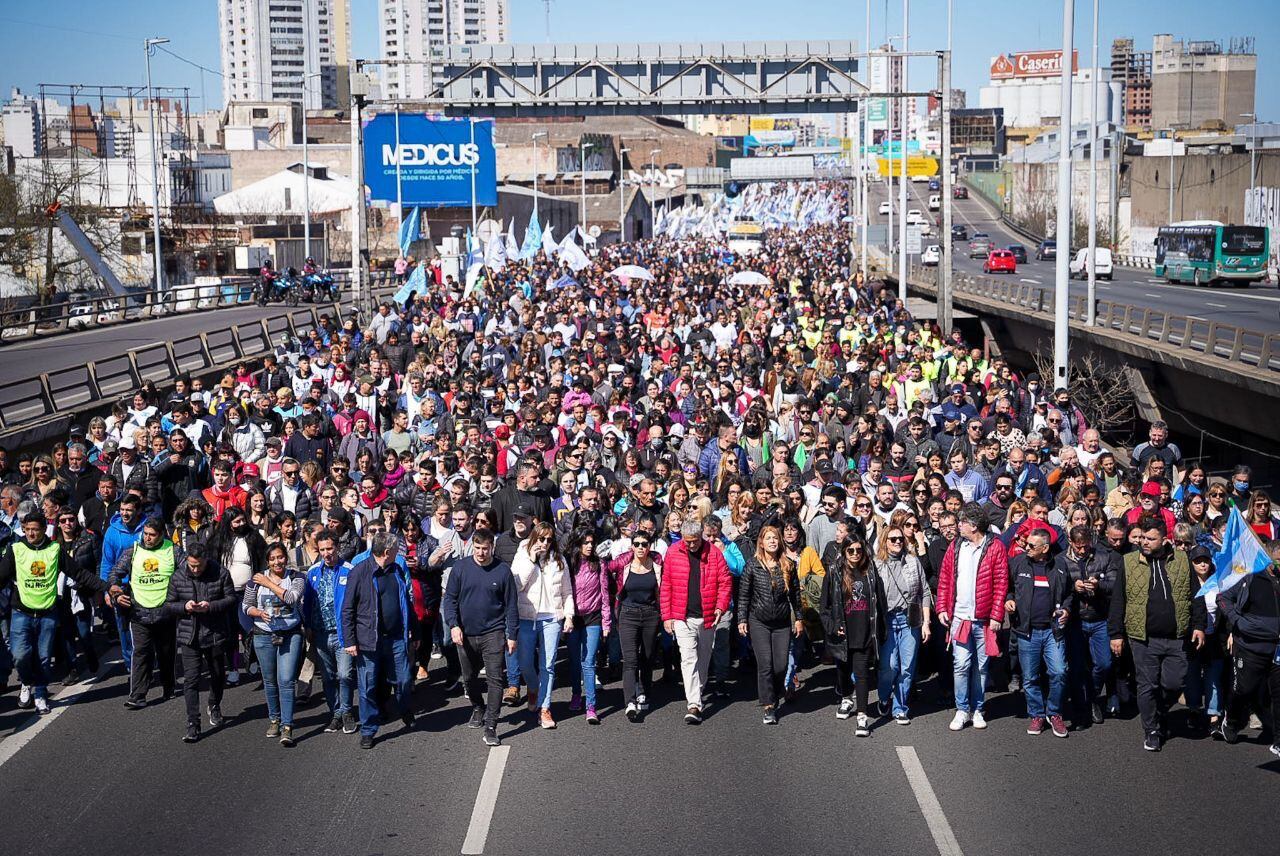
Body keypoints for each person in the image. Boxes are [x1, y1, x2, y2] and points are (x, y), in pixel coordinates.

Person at [1107, 517, 1205, 752]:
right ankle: (1151, 729)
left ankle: (1159, 711)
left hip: (1177, 637)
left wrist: (1199, 625)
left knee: (1174, 682)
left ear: (1165, 539)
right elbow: (1118, 599)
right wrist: (1116, 633)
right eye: (1142, 538)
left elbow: (1196, 596)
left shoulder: (1182, 559)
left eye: (1151, 539)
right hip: (1143, 639)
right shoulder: (1129, 562)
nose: (1145, 543)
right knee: (1147, 684)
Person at [0, 512, 106, 714]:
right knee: (20, 655)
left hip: (47, 613)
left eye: (35, 530)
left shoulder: (54, 550)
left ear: (43, 530)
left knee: (43, 657)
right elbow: (2, 576)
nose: (31, 533)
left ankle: (40, 694)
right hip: (21, 613)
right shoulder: (16, 549)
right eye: (27, 529)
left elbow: (79, 573)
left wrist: (105, 587)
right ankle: (26, 682)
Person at [936, 503, 1009, 732]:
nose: (959, 526)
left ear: (974, 525)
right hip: (960, 617)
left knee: (981, 667)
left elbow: (1001, 583)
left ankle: (978, 709)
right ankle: (962, 709)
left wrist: (997, 615)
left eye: (962, 522)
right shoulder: (956, 546)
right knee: (960, 664)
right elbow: (945, 579)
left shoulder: (995, 547)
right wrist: (942, 608)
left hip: (984, 619)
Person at [442, 528, 518, 747]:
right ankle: (477, 706)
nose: (481, 553)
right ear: (472, 547)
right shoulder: (461, 568)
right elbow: (450, 600)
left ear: (492, 547)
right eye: (478, 548)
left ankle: (491, 725)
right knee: (469, 678)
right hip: (465, 633)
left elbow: (511, 606)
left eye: (486, 549)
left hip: (493, 632)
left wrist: (511, 635)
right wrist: (454, 625)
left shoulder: (503, 571)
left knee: (495, 679)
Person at [342, 532, 416, 749]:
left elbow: (406, 603)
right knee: (368, 687)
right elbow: (347, 609)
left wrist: (414, 631)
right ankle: (368, 729)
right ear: (386, 552)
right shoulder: (360, 572)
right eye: (395, 550)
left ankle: (405, 710)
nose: (398, 553)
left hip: (396, 639)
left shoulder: (396, 570)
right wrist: (349, 640)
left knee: (403, 680)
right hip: (368, 641)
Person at [660, 517, 732, 724]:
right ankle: (694, 704)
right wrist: (667, 616)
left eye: (694, 541)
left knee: (704, 657)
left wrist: (720, 606)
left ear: (701, 536)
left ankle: (697, 689)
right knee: (688, 657)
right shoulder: (673, 552)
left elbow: (725, 582)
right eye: (687, 541)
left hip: (708, 615)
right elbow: (666, 586)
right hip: (682, 615)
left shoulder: (714, 553)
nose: (691, 545)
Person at [165, 541, 236, 743]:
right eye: (191, 565)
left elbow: (231, 599)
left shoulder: (220, 573)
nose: (195, 569)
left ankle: (214, 704)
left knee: (217, 674)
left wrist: (211, 606)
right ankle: (193, 724)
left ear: (206, 560)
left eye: (199, 565)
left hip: (214, 634)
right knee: (192, 680)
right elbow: (169, 605)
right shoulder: (178, 576)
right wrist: (184, 607)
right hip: (190, 636)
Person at [107, 517, 181, 710]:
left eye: (152, 535)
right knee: (141, 653)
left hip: (165, 612)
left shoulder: (173, 551)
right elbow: (115, 573)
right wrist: (115, 590)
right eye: (145, 534)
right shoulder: (133, 550)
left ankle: (169, 687)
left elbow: (186, 574)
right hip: (139, 613)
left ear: (161, 535)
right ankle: (137, 695)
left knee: (166, 653)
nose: (147, 538)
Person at [1215, 541, 1280, 756]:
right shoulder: (1249, 577)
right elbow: (1223, 596)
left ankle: (1278, 741)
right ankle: (1231, 721)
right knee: (1244, 689)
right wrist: (1238, 622)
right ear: (1270, 558)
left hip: (1277, 648)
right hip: (1250, 646)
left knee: (1278, 694)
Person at [1006, 528, 1072, 737]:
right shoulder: (1018, 563)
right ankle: (1036, 714)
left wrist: (1067, 610)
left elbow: (1069, 594)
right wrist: (1008, 599)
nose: (1026, 548)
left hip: (1052, 631)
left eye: (1032, 546)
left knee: (1059, 672)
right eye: (1026, 543)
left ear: (1045, 548)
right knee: (1030, 678)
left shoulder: (1060, 566)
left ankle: (1054, 713)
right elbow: (1007, 586)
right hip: (1027, 631)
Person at [511, 521, 575, 728]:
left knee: (547, 665)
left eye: (549, 540)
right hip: (526, 617)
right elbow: (516, 585)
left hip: (551, 618)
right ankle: (533, 687)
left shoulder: (559, 560)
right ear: (534, 538)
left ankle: (545, 708)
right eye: (541, 539)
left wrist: (569, 615)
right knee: (524, 662)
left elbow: (567, 592)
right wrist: (532, 560)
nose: (545, 543)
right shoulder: (522, 555)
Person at [737, 524, 802, 725]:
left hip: (782, 622)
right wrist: (741, 619)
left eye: (775, 538)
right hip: (759, 621)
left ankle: (775, 689)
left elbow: (796, 595)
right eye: (768, 538)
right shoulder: (753, 565)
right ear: (762, 543)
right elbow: (744, 595)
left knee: (780, 666)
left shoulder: (788, 564)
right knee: (765, 664)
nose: (772, 541)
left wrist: (799, 618)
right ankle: (769, 705)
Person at [244, 543, 306, 746]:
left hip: (290, 633)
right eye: (272, 559)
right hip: (263, 633)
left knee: (286, 680)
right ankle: (274, 719)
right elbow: (246, 606)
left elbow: (291, 598)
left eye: (280, 558)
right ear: (267, 561)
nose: (277, 562)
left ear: (285, 559)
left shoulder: (296, 578)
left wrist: (268, 583)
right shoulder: (255, 582)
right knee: (269, 679)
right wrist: (258, 613)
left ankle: (287, 726)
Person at [1057, 525, 1119, 725]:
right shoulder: (1062, 560)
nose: (1083, 550)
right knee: (1076, 666)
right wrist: (1073, 588)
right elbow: (1057, 589)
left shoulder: (1103, 557)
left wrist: (1099, 586)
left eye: (1086, 546)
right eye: (1078, 547)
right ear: (1071, 542)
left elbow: (1115, 585)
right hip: (1075, 620)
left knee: (1104, 664)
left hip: (1099, 618)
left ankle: (1092, 696)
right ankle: (1081, 704)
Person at [874, 522, 933, 726]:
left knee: (907, 667)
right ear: (885, 542)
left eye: (900, 538)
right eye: (893, 539)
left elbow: (924, 592)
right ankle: (883, 697)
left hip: (910, 620)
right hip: (887, 620)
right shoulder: (876, 564)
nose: (898, 542)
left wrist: (926, 622)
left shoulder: (912, 561)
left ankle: (900, 707)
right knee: (889, 666)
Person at [820, 539, 879, 736]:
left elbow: (881, 601)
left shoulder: (870, 571)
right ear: (844, 551)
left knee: (862, 674)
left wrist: (880, 631)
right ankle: (846, 697)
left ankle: (862, 716)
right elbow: (825, 606)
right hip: (842, 634)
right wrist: (832, 626)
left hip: (864, 632)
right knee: (843, 672)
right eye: (851, 550)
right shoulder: (834, 572)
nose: (855, 554)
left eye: (859, 550)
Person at [302, 531, 357, 735]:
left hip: (343, 633)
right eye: (322, 549)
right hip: (320, 633)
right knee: (327, 677)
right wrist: (307, 625)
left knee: (344, 674)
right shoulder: (314, 572)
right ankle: (335, 713)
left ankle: (347, 712)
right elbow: (307, 601)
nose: (326, 553)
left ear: (337, 548)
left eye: (330, 549)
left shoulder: (349, 570)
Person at [615, 530, 662, 721]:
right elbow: (606, 568)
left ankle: (644, 690)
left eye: (644, 544)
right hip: (628, 614)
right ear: (631, 546)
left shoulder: (657, 566)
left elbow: (663, 592)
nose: (641, 547)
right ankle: (630, 702)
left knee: (648, 657)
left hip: (651, 615)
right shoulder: (624, 566)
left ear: (650, 546)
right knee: (630, 660)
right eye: (637, 544)